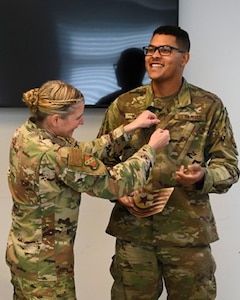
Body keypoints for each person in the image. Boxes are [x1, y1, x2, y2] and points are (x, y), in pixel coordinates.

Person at [96, 25, 239, 300]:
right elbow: (101, 162)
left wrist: (203, 176)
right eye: (150, 49)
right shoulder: (125, 105)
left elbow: (229, 166)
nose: (154, 55)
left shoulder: (208, 106)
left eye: (165, 49)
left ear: (184, 58)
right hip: (134, 234)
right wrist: (120, 191)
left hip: (187, 235)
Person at [6, 79, 170, 300]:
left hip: (23, 254)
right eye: (77, 117)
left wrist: (130, 128)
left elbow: (83, 153)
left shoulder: (26, 133)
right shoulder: (57, 155)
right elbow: (114, 183)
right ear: (55, 119)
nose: (81, 122)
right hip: (47, 269)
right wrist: (150, 149)